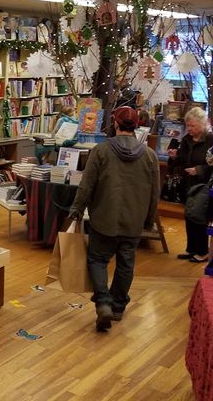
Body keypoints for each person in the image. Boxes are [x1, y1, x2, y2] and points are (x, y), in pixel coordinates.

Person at [68, 106, 159, 332]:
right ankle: (118, 306)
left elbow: (87, 185)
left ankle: (103, 302)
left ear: (115, 123)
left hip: (103, 219)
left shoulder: (101, 151)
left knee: (98, 259)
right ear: (136, 125)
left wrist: (76, 209)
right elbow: (155, 193)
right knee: (126, 263)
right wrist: (148, 220)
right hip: (133, 221)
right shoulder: (150, 156)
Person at [168, 106, 213, 262]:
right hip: (188, 184)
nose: (189, 128)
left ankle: (203, 251)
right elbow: (182, 159)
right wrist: (174, 157)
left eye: (193, 126)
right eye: (188, 125)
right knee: (189, 216)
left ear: (202, 124)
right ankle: (192, 249)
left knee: (199, 216)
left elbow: (211, 164)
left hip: (204, 185)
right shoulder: (186, 140)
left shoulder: (210, 140)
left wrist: (199, 170)